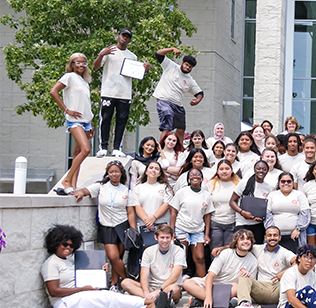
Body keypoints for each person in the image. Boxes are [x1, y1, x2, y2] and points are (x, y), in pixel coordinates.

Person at [41, 225, 170, 308]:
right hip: (64, 303)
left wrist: (101, 272)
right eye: (65, 244)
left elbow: (83, 276)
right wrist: (83, 289)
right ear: (55, 243)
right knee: (106, 298)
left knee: (108, 306)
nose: (68, 248)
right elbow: (54, 291)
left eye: (71, 245)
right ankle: (148, 301)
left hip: (78, 296)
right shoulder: (51, 263)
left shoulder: (70, 259)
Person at [73, 161, 137, 289]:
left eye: (117, 171)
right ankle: (127, 281)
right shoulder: (101, 187)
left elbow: (130, 212)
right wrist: (80, 192)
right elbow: (85, 190)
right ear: (107, 173)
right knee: (113, 257)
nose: (114, 174)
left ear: (121, 173)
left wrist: (133, 230)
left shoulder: (127, 191)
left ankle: (114, 284)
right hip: (106, 226)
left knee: (118, 257)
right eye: (111, 171)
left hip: (122, 226)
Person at [92, 29, 151, 157]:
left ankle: (117, 148)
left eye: (127, 37)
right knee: (105, 119)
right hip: (108, 91)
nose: (125, 38)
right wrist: (102, 55)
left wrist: (144, 70)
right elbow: (95, 67)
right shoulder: (108, 51)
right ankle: (103, 147)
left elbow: (135, 75)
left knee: (121, 121)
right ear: (118, 36)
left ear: (129, 40)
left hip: (124, 93)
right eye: (123, 35)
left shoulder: (132, 56)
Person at [50, 53, 94, 195]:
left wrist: (91, 123)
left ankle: (73, 186)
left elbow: (86, 104)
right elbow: (53, 92)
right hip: (74, 120)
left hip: (86, 120)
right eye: (78, 62)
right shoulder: (68, 77)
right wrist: (67, 110)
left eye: (84, 63)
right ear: (72, 63)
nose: (81, 65)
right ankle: (67, 180)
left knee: (76, 153)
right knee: (85, 150)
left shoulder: (85, 81)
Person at [121, 224, 185, 306]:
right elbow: (144, 276)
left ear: (172, 237)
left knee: (175, 289)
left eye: (167, 237)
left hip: (167, 287)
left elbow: (174, 276)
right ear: (156, 237)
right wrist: (146, 291)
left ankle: (150, 301)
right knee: (125, 283)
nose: (165, 241)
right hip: (151, 287)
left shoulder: (179, 251)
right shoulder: (148, 251)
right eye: (162, 237)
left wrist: (158, 290)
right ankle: (155, 301)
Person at [169, 167, 214, 277]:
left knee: (200, 258)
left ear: (202, 178)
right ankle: (177, 284)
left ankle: (202, 284)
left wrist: (207, 235)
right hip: (181, 228)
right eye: (192, 175)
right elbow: (173, 212)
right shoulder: (182, 192)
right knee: (180, 258)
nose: (195, 176)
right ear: (188, 178)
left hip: (197, 230)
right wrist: (172, 231)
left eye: (197, 174)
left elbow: (207, 216)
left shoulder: (206, 195)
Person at [152, 47, 202, 143]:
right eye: (186, 65)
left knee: (181, 128)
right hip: (164, 100)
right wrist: (172, 49)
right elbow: (158, 53)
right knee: (167, 120)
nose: (187, 68)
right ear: (182, 63)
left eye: (190, 67)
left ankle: (179, 150)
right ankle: (162, 149)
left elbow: (200, 93)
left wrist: (197, 101)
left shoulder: (190, 80)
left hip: (178, 105)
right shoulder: (170, 66)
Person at [229, 161, 272, 245]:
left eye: (264, 169)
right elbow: (232, 201)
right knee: (240, 248)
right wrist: (242, 212)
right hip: (242, 223)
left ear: (267, 171)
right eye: (258, 168)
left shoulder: (269, 188)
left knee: (256, 251)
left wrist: (262, 218)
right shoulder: (244, 183)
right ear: (254, 170)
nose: (261, 171)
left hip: (258, 225)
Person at [266, 172, 311, 252]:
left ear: (293, 183)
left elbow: (305, 214)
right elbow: (267, 214)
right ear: (279, 183)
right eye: (283, 181)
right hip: (275, 237)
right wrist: (273, 232)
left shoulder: (299, 195)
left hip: (295, 235)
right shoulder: (272, 195)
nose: (286, 183)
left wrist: (298, 229)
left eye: (289, 181)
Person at [132, 161, 174, 245]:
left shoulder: (165, 187)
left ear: (159, 173)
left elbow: (166, 204)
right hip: (144, 226)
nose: (153, 170)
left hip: (162, 225)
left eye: (157, 169)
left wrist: (154, 218)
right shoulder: (138, 188)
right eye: (151, 168)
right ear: (146, 171)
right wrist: (147, 221)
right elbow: (137, 206)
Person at [206, 160, 239, 250]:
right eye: (221, 169)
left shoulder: (238, 184)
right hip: (215, 223)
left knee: (230, 251)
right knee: (215, 251)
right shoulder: (210, 184)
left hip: (232, 222)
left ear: (232, 170)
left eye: (227, 169)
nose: (224, 171)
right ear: (217, 171)